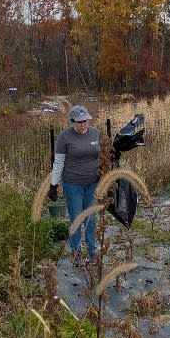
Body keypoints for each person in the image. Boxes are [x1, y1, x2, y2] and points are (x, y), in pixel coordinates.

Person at [48, 104, 101, 265]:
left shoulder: (96, 133)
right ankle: (76, 252)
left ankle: (92, 253)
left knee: (91, 219)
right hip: (73, 185)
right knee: (76, 218)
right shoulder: (64, 137)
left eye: (85, 121)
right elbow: (58, 162)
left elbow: (104, 156)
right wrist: (53, 185)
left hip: (93, 183)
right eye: (79, 122)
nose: (83, 125)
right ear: (72, 121)